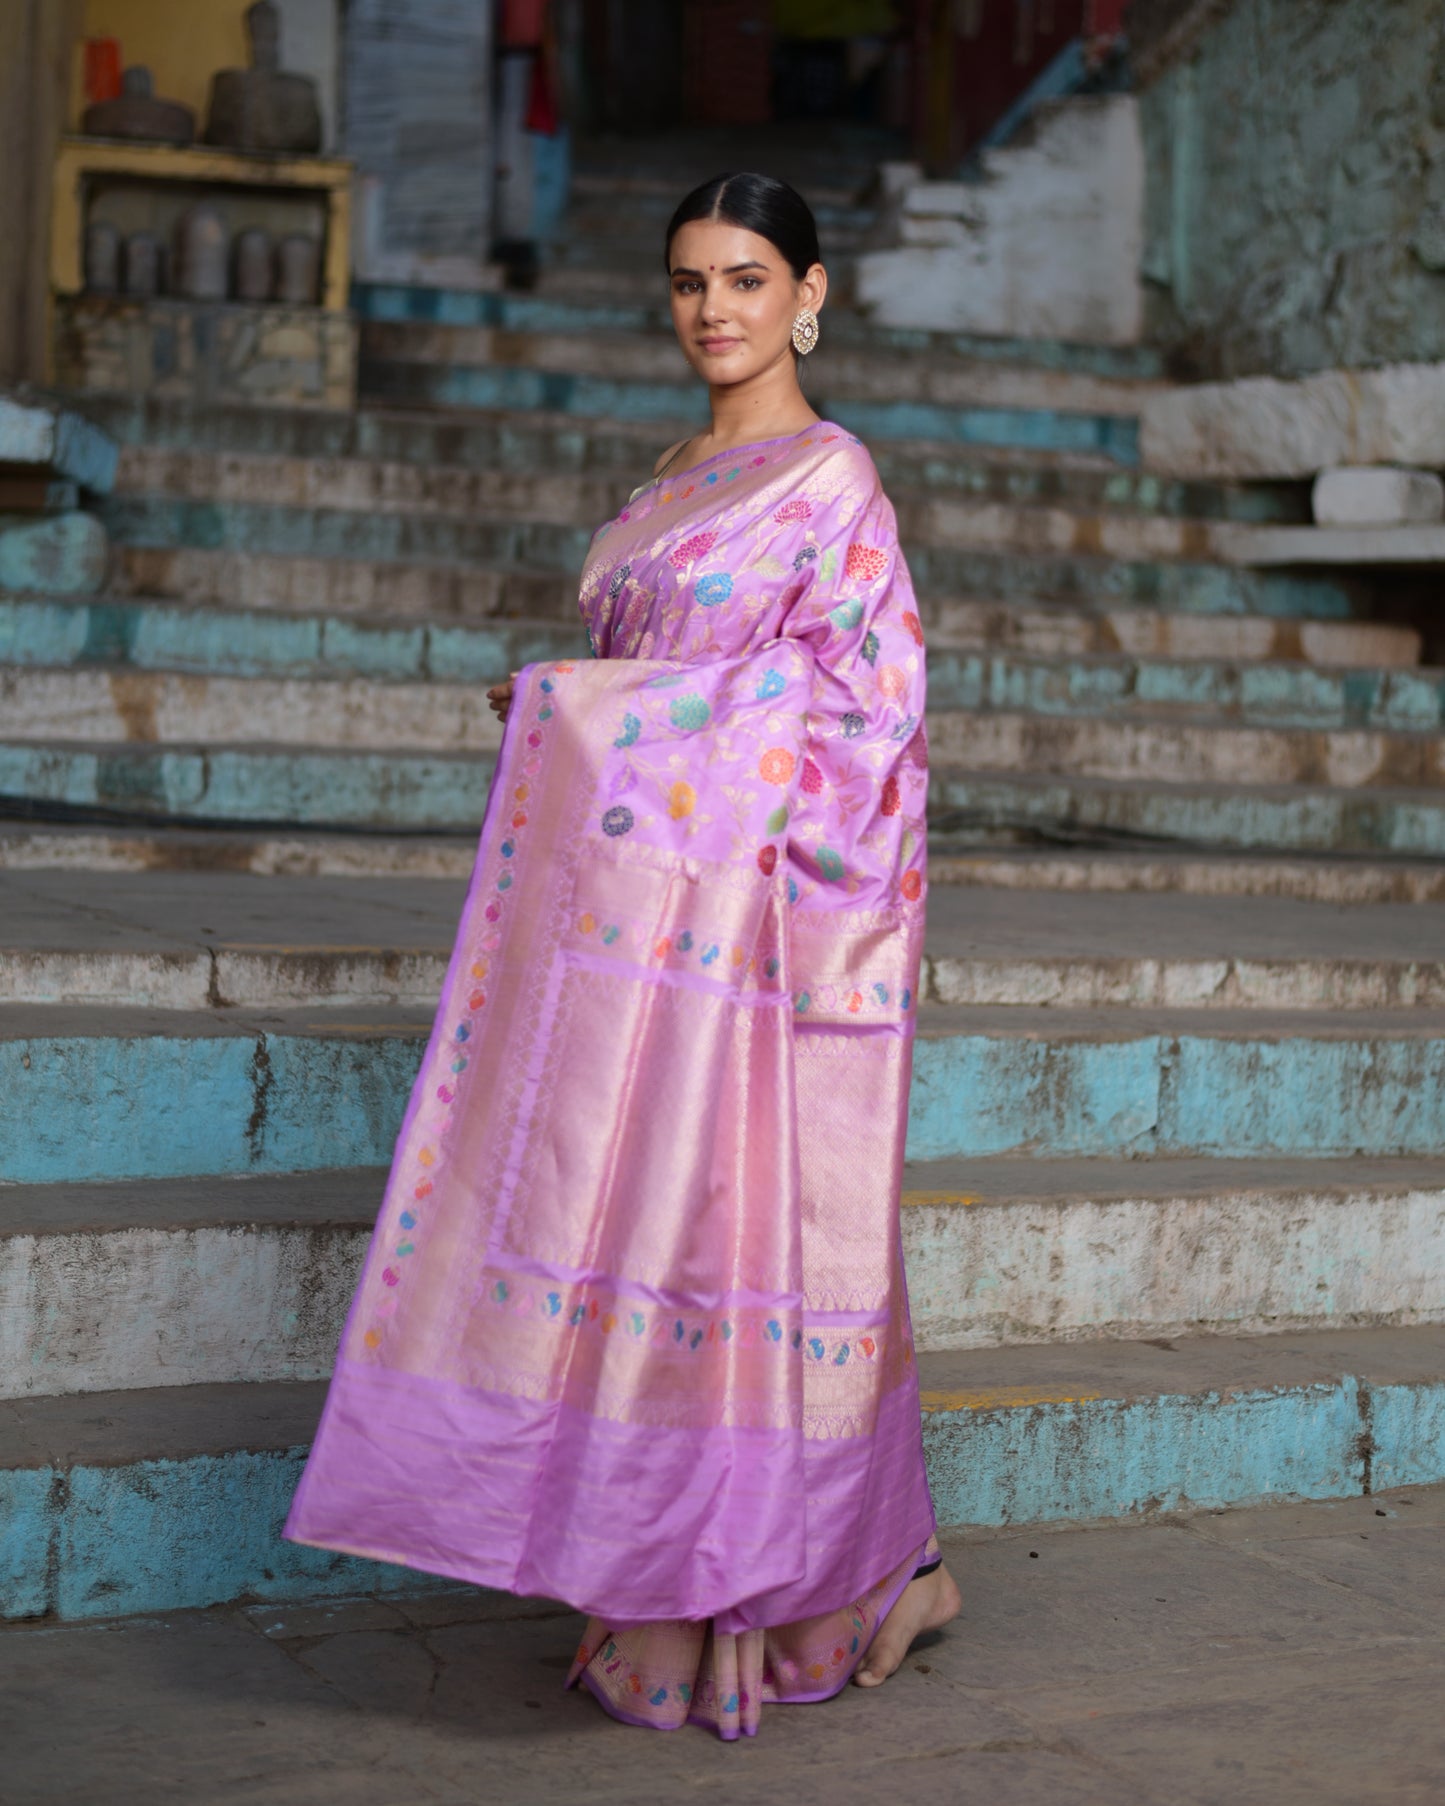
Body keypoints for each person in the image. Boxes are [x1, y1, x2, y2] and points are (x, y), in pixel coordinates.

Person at [284, 170, 961, 1740]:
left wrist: (597, 713)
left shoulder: (832, 483)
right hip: (633, 945)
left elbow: (868, 723)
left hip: (750, 945)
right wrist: (567, 719)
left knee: (744, 1240)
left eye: (743, 278)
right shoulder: (667, 478)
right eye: (685, 283)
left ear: (810, 295)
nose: (712, 310)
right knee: (636, 1233)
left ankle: (860, 1570)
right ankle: (667, 1569)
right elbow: (649, 683)